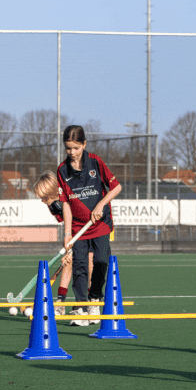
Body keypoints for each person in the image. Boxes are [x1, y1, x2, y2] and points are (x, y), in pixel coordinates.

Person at [57, 124, 122, 325]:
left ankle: (95, 299)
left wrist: (101, 204)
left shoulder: (95, 162)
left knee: (102, 261)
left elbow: (116, 187)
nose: (72, 152)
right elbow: (66, 203)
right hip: (78, 228)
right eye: (68, 148)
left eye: (76, 148)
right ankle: (80, 309)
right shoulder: (61, 170)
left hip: (100, 223)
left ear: (84, 145)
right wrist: (67, 233)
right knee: (79, 267)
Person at [33, 171, 78, 317]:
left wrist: (72, 246)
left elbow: (79, 218)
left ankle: (87, 304)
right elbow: (67, 222)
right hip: (73, 230)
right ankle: (60, 304)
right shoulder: (53, 205)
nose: (41, 200)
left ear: (51, 191)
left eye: (43, 197)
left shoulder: (70, 195)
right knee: (68, 263)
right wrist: (69, 247)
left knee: (88, 263)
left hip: (88, 227)